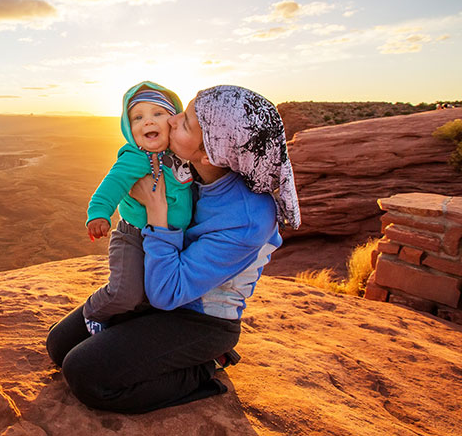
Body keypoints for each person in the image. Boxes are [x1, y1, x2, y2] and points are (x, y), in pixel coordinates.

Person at [46, 85, 300, 414]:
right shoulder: (190, 165)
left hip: (199, 319)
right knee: (59, 344)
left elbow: (169, 291)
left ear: (210, 153)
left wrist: (156, 212)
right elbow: (128, 171)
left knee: (85, 374)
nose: (174, 118)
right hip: (158, 291)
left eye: (187, 121)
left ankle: (204, 368)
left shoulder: (247, 218)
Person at [83, 81, 194, 335]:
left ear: (174, 120)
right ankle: (95, 310)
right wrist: (99, 213)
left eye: (158, 113)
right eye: (138, 117)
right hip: (133, 236)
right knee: (125, 292)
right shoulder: (136, 157)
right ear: (128, 127)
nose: (148, 122)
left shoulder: (181, 155)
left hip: (172, 237)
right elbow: (112, 184)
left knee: (157, 290)